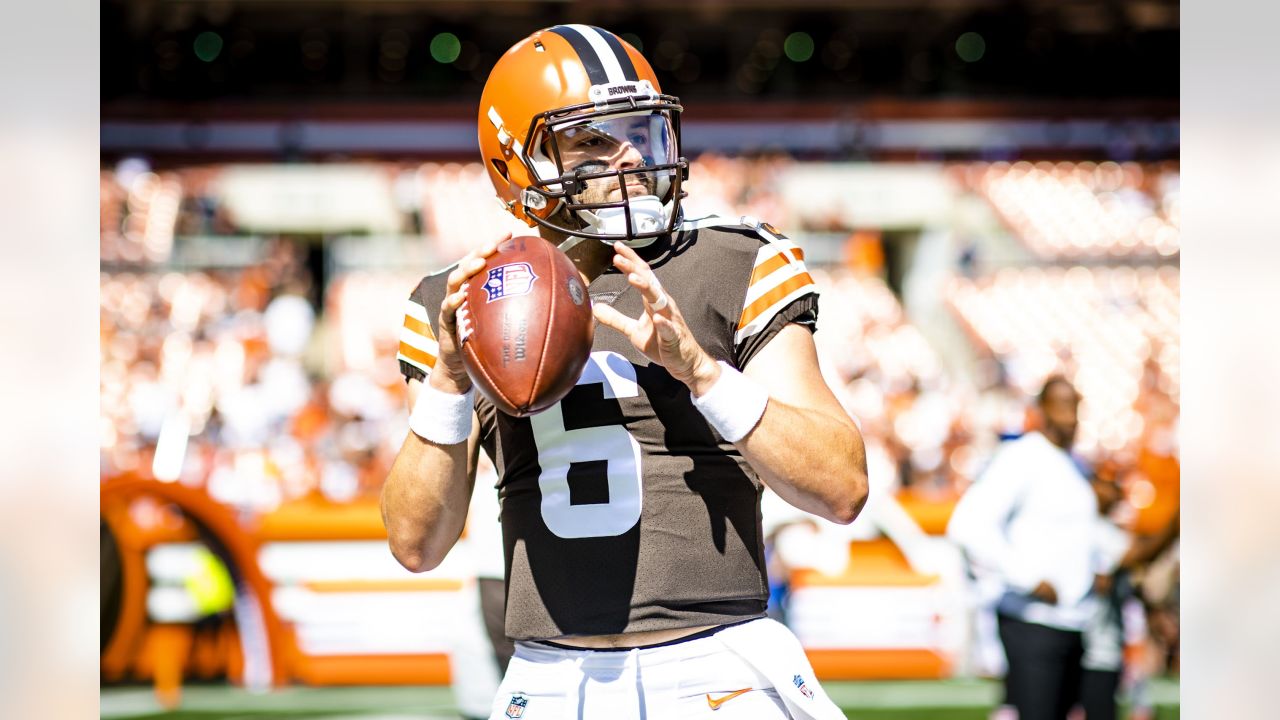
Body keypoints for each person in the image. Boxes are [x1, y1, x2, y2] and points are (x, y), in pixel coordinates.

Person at [382, 25, 868, 720]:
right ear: (514, 162)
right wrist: (449, 380)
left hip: (721, 662)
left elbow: (841, 486)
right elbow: (415, 543)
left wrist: (702, 373)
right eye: (592, 140)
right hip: (550, 679)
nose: (633, 156)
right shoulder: (456, 299)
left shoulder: (733, 261)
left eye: (640, 130)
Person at [946, 376, 1097, 720]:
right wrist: (1028, 579)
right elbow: (967, 525)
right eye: (1061, 406)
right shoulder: (1023, 457)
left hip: (1073, 620)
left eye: (1075, 407)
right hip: (1033, 621)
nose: (1070, 418)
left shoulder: (1074, 464)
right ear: (1040, 411)